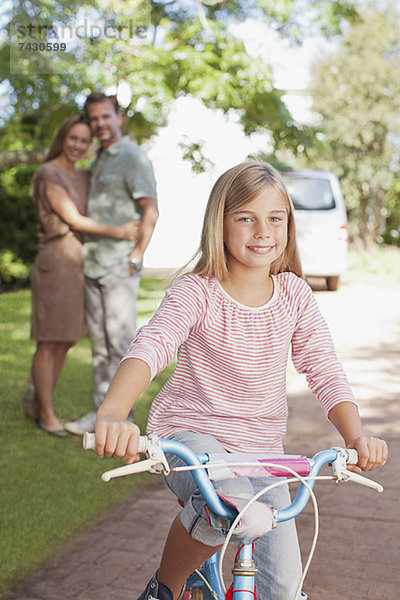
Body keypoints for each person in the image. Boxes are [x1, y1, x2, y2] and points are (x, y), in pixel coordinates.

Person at [94, 161, 388, 600]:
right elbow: (152, 345)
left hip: (261, 454)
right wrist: (115, 413)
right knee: (231, 505)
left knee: (284, 587)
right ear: (220, 223)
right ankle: (164, 589)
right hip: (192, 437)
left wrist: (356, 437)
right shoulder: (198, 291)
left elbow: (324, 367)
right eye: (245, 218)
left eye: (275, 218)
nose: (262, 231)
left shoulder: (294, 295)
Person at [26, 114, 140, 437]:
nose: (78, 145)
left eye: (84, 140)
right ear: (62, 137)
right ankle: (46, 414)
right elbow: (73, 219)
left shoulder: (84, 175)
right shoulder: (49, 173)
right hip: (57, 261)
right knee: (49, 341)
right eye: (73, 138)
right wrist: (120, 232)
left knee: (65, 340)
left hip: (80, 263)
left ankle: (38, 402)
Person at [64, 93, 158, 436]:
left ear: (119, 116)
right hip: (93, 263)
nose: (100, 123)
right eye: (94, 118)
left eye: (106, 116)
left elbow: (151, 209)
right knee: (101, 346)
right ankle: (100, 414)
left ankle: (124, 420)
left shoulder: (132, 157)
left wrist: (137, 254)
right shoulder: (100, 157)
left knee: (120, 344)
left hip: (119, 264)